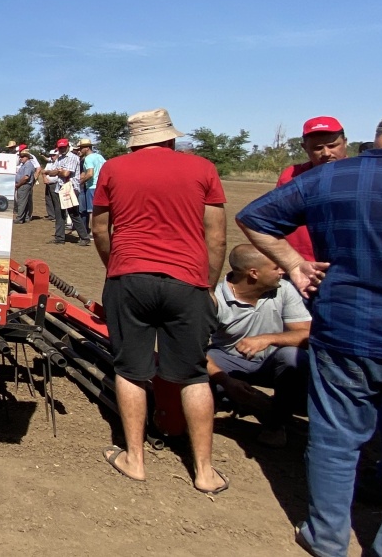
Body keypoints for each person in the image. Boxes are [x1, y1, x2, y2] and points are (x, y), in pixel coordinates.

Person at [237, 103, 382, 557]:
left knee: (335, 440)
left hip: (346, 331)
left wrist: (296, 267)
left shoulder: (329, 178)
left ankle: (326, 534)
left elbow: (255, 219)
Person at [91, 108, 228, 494]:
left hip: (128, 276)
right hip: (187, 281)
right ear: (170, 137)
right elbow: (216, 237)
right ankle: (204, 471)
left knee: (131, 369)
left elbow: (100, 228)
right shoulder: (202, 168)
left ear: (135, 140)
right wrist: (209, 285)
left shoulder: (114, 169)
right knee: (194, 374)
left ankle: (134, 459)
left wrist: (115, 265)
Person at [207, 244, 310, 448]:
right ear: (253, 273)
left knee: (293, 356)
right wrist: (227, 381)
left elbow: (307, 334)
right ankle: (225, 400)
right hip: (232, 363)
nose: (282, 271)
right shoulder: (216, 299)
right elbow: (194, 349)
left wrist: (268, 338)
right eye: (275, 267)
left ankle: (275, 422)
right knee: (206, 360)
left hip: (272, 363)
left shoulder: (284, 289)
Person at [274, 116, 348, 262]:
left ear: (345, 143)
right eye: (317, 148)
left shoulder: (360, 176)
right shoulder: (290, 176)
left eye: (332, 146)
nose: (326, 153)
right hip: (299, 264)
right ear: (304, 148)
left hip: (344, 265)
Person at [45, 139, 88, 245]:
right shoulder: (59, 158)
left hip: (70, 188)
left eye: (64, 147)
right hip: (60, 188)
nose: (62, 149)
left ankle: (84, 237)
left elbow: (66, 173)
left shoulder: (72, 157)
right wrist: (59, 171)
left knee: (73, 213)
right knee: (59, 213)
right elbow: (51, 172)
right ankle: (59, 238)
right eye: (60, 147)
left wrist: (58, 171)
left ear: (68, 146)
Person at [76, 138, 105, 244]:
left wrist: (80, 182)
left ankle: (93, 232)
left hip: (92, 186)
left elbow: (90, 173)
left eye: (81, 148)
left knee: (91, 211)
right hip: (101, 185)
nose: (80, 149)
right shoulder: (100, 157)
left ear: (87, 148)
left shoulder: (88, 158)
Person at [13, 149, 37, 224]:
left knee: (21, 202)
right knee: (25, 202)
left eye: (22, 156)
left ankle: (19, 218)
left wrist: (18, 184)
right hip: (24, 185)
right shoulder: (26, 164)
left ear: (27, 157)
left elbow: (26, 177)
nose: (20, 158)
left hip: (23, 185)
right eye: (20, 156)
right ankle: (25, 217)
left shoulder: (28, 165)